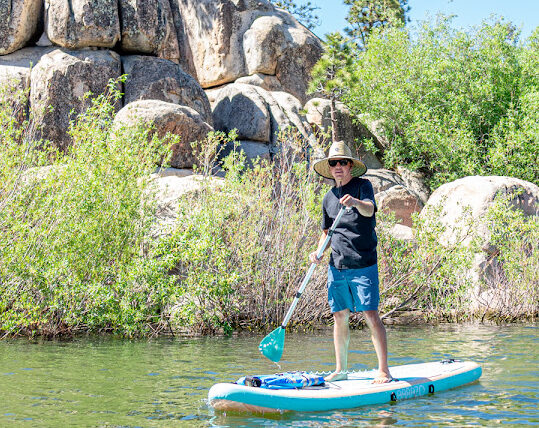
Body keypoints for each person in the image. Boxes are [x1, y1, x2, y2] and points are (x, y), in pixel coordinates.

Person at [310, 141, 392, 384]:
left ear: (350, 166)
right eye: (333, 163)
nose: (338, 167)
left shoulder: (362, 187)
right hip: (337, 265)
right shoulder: (327, 198)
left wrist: (355, 202)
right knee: (339, 315)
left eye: (342, 162)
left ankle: (384, 371)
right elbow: (326, 232)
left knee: (370, 313)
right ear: (330, 167)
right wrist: (317, 252)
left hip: (363, 262)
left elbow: (369, 210)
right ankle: (341, 369)